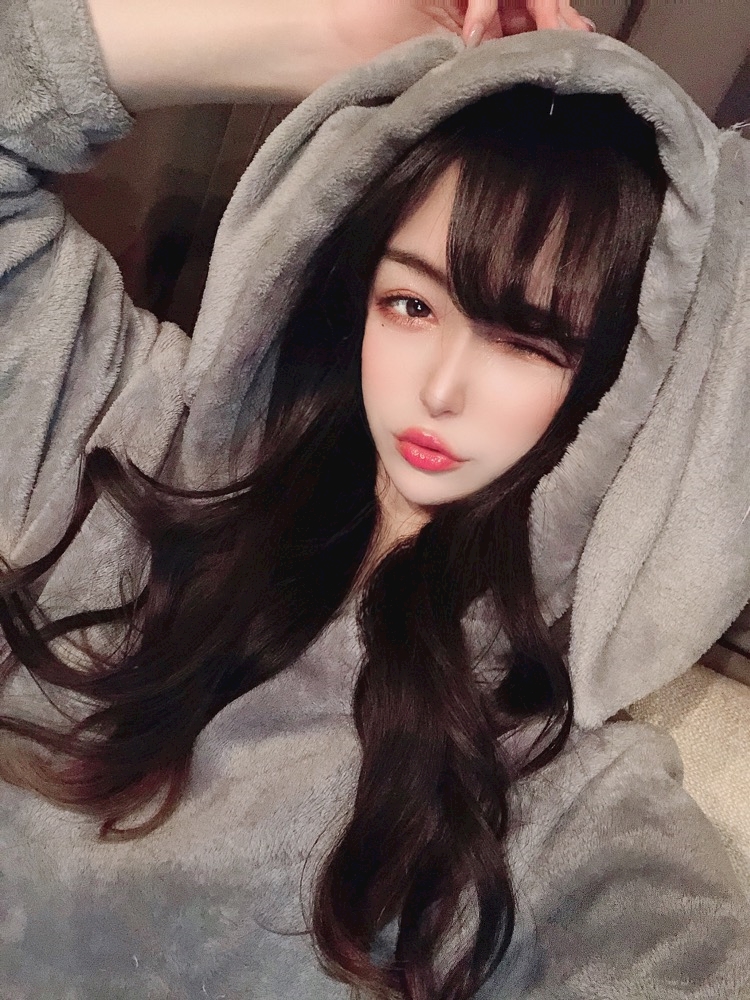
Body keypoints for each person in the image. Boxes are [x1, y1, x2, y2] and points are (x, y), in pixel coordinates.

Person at [0, 0, 748, 997]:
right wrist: (332, 32)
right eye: (412, 303)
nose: (441, 388)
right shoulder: (138, 443)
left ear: (619, 379)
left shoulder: (563, 802)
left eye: (527, 341)